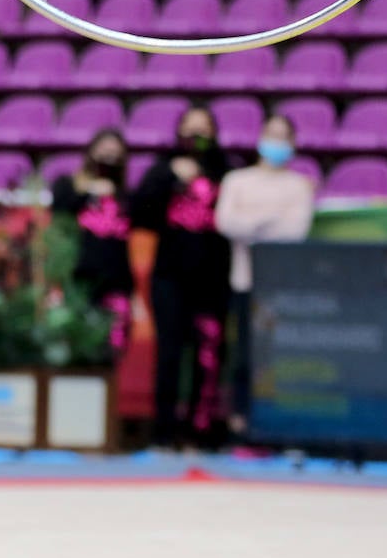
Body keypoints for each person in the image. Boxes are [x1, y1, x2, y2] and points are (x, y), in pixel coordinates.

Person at [129, 103, 231, 448]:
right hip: (170, 277)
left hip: (212, 277)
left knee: (208, 355)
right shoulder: (162, 168)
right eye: (190, 128)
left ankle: (200, 430)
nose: (196, 135)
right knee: (169, 353)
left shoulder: (226, 171)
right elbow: (139, 215)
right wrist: (171, 177)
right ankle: (164, 431)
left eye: (204, 128)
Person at [214, 113, 315, 429]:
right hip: (244, 280)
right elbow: (226, 223)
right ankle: (240, 420)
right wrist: (268, 219)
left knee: (276, 357)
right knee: (243, 356)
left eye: (282, 136)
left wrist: (251, 222)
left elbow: (294, 231)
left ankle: (274, 422)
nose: (275, 142)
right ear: (260, 138)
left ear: (293, 144)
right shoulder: (237, 180)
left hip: (282, 284)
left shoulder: (300, 185)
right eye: (270, 134)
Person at [49, 128, 135, 353]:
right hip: (78, 281)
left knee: (115, 345)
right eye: (104, 151)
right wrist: (89, 192)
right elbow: (60, 210)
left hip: (116, 282)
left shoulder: (127, 197)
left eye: (116, 154)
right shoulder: (68, 184)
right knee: (75, 344)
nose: (109, 158)